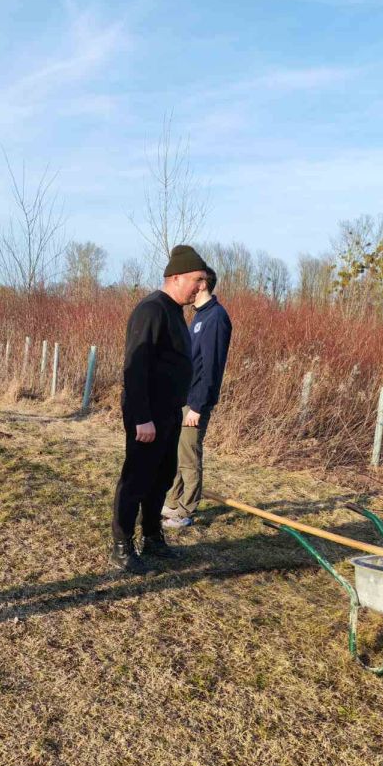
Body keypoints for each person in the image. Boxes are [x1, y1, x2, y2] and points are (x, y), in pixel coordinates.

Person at [111, 244, 208, 573]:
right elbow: (134, 367)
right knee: (136, 479)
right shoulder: (151, 309)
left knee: (162, 477)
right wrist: (142, 418)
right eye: (197, 280)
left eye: (203, 281)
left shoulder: (175, 311)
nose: (201, 287)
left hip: (168, 413)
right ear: (176, 277)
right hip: (147, 415)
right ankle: (122, 547)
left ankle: (152, 536)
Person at [163, 267, 232, 528]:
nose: (188, 288)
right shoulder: (199, 316)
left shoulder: (216, 317)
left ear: (202, 284)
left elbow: (212, 367)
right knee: (178, 453)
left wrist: (198, 406)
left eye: (193, 281)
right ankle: (173, 502)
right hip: (184, 399)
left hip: (195, 404)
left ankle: (185, 511)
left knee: (190, 457)